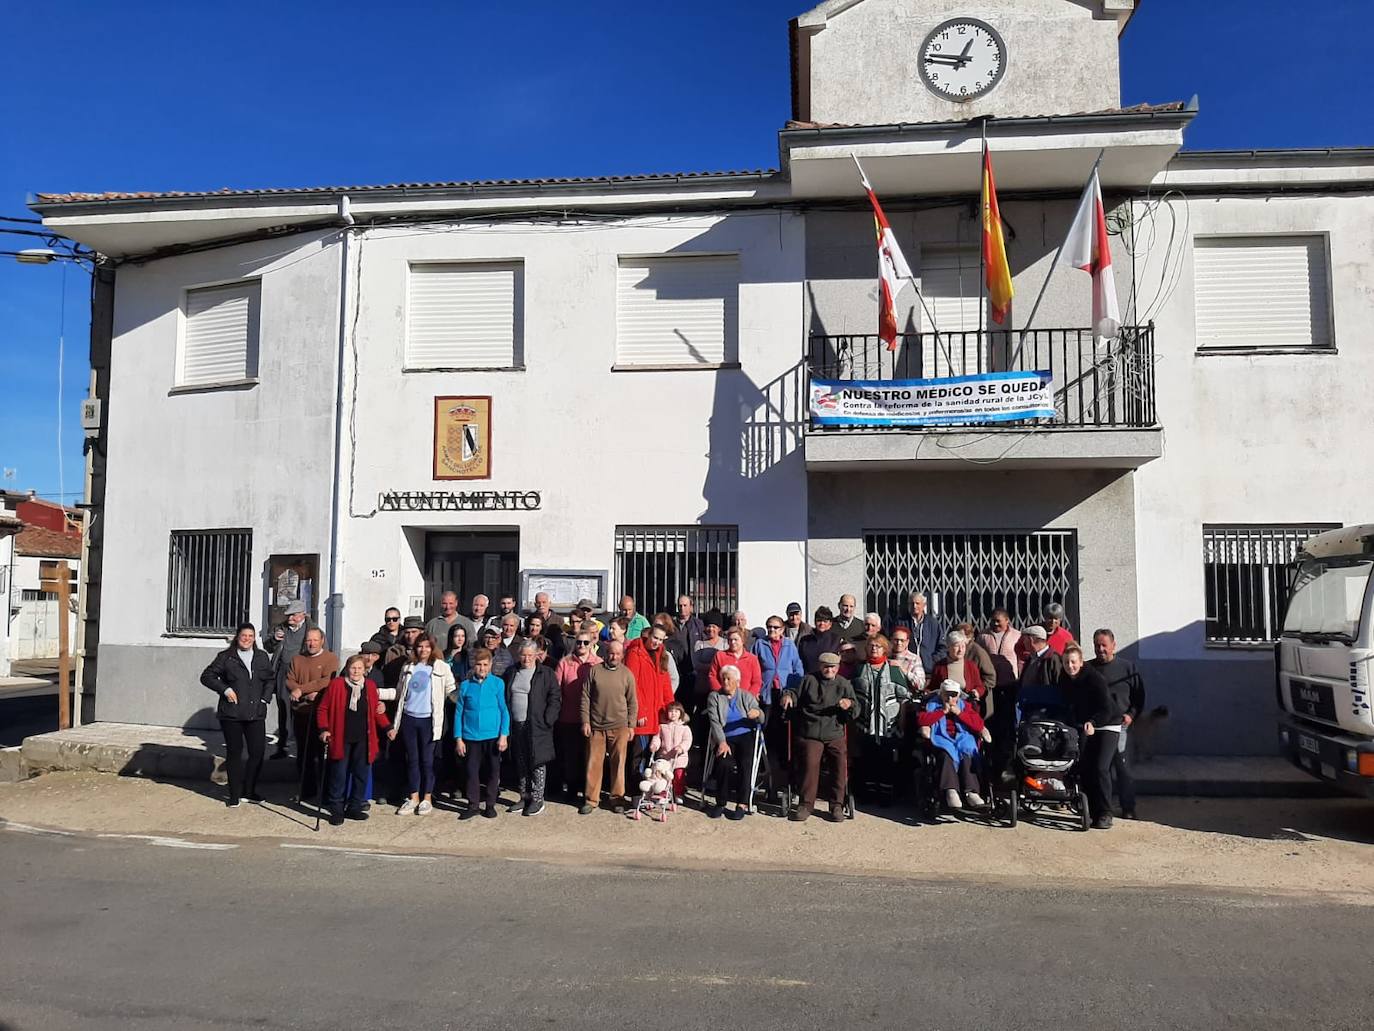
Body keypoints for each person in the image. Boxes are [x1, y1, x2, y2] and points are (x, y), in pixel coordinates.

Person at [201, 623, 276, 807]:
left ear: (254, 638)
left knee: (257, 752)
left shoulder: (261, 657)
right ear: (237, 637)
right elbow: (207, 676)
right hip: (232, 714)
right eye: (244, 635)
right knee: (234, 753)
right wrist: (225, 689)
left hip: (255, 713)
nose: (247, 639)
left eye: (250, 636)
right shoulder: (226, 657)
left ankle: (249, 791)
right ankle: (234, 794)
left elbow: (270, 680)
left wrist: (265, 699)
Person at [781, 651, 857, 823]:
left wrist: (849, 704)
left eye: (832, 667)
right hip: (811, 731)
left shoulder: (843, 684)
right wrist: (788, 696)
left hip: (834, 731)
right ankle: (806, 804)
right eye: (825, 666)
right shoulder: (809, 680)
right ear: (820, 666)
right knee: (810, 763)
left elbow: (855, 706)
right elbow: (794, 693)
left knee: (839, 763)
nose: (828, 670)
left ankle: (837, 804)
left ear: (837, 668)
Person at [316, 655, 390, 825]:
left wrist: (388, 727)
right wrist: (323, 729)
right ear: (347, 669)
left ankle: (355, 807)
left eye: (359, 668)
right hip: (341, 737)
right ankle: (336, 809)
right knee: (339, 774)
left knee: (361, 774)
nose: (356, 671)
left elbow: (376, 711)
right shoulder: (336, 685)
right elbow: (323, 708)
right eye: (353, 668)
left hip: (364, 738)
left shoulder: (370, 686)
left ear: (365, 670)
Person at [388, 634, 454, 816]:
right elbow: (399, 693)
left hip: (429, 721)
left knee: (427, 761)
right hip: (409, 719)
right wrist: (374, 693)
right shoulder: (408, 667)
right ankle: (413, 797)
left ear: (432, 648)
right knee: (413, 760)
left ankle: (427, 798)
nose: (423, 650)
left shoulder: (441, 667)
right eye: (420, 646)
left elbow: (451, 690)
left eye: (427, 646)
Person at [1060, 644, 1123, 830]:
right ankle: (1089, 810)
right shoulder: (1064, 678)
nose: (1070, 666)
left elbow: (1107, 707)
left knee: (1101, 767)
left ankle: (1105, 813)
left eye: (1073, 662)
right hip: (1086, 725)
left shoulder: (1094, 678)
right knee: (1084, 766)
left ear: (1080, 662)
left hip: (1108, 722)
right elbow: (1069, 703)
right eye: (1066, 662)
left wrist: (1093, 722)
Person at [1090, 629, 1145, 820]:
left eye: (1104, 645)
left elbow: (1139, 697)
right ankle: (1099, 806)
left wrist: (1131, 715)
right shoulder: (1089, 669)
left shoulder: (1128, 668)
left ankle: (1128, 807)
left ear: (1114, 645)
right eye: (1097, 645)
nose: (1100, 649)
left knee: (1122, 767)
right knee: (1097, 768)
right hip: (1096, 726)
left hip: (1120, 726)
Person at [503, 639, 560, 817]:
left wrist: (548, 719)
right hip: (516, 724)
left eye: (530, 655)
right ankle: (524, 796)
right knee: (521, 761)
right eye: (523, 655)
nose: (526, 658)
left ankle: (537, 799)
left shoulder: (546, 673)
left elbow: (555, 697)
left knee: (537, 761)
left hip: (537, 725)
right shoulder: (511, 671)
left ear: (536, 655)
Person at [580, 639, 637, 815]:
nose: (614, 656)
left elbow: (632, 702)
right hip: (596, 725)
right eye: (611, 653)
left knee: (618, 763)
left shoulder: (627, 674)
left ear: (622, 655)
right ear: (606, 653)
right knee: (593, 763)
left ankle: (617, 798)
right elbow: (586, 697)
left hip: (620, 726)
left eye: (618, 654)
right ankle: (591, 799)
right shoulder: (594, 671)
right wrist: (585, 721)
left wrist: (631, 725)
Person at [453, 648, 510, 820]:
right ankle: (473, 805)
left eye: (485, 665)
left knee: (493, 771)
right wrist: (458, 738)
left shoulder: (497, 684)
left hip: (492, 736)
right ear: (473, 665)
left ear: (491, 665)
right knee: (471, 772)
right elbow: (458, 713)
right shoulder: (465, 686)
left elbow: (504, 710)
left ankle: (490, 804)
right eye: (479, 664)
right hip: (471, 736)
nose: (482, 668)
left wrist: (504, 735)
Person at [753, 615, 805, 798]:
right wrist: (756, 688)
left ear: (783, 629)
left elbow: (798, 670)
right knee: (766, 734)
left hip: (785, 695)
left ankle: (787, 780)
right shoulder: (760, 644)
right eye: (769, 627)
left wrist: (791, 692)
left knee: (786, 737)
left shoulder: (790, 645)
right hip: (766, 695)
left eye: (775, 627)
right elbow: (754, 667)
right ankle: (766, 774)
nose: (772, 631)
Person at [918, 680, 988, 810]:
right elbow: (922, 720)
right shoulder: (932, 704)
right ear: (941, 694)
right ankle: (951, 791)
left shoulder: (965, 706)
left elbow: (978, 724)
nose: (950, 698)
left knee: (968, 754)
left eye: (954, 695)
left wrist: (959, 713)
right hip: (941, 739)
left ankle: (972, 792)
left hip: (963, 738)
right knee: (946, 755)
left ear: (958, 695)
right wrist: (942, 712)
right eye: (947, 695)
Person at [705, 665, 763, 819]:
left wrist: (757, 713)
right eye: (723, 678)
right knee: (724, 763)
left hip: (745, 735)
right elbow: (715, 722)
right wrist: (722, 742)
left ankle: (742, 803)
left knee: (746, 762)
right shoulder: (714, 697)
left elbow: (760, 716)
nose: (725, 681)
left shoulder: (746, 696)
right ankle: (721, 802)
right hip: (725, 736)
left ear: (737, 681)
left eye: (729, 678)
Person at [286, 628, 338, 799]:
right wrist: (299, 691)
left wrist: (301, 689)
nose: (312, 643)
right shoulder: (297, 659)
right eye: (309, 640)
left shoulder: (330, 658)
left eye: (315, 640)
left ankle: (325, 793)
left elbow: (326, 681)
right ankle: (307, 790)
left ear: (322, 640)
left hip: (321, 714)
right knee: (303, 754)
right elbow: (289, 680)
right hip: (301, 712)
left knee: (322, 754)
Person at [553, 628, 601, 800]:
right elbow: (556, 690)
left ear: (591, 644)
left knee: (589, 756)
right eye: (579, 642)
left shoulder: (598, 663)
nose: (581, 645)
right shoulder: (564, 663)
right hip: (568, 716)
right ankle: (572, 790)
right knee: (571, 756)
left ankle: (588, 790)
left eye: (585, 642)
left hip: (591, 718)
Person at [625, 626, 676, 779]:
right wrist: (638, 712)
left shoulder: (661, 655)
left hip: (657, 713)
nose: (657, 642)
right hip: (643, 715)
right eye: (655, 638)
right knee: (638, 755)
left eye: (660, 640)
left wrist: (671, 709)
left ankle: (649, 794)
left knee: (653, 756)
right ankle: (635, 792)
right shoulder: (635, 653)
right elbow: (632, 684)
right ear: (649, 635)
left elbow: (665, 685)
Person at [264, 600, 313, 759]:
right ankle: (282, 747)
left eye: (292, 615)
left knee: (301, 711)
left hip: (303, 675)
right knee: (284, 710)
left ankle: (302, 749)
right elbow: (268, 646)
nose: (289, 617)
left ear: (302, 615)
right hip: (283, 673)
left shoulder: (313, 630)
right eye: (288, 614)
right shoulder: (282, 628)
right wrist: (274, 639)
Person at [1018, 625, 1066, 719]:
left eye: (1025, 639)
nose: (1023, 643)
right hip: (1029, 708)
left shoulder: (1053, 658)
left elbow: (1059, 685)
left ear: (1031, 640)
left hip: (1046, 711)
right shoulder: (1031, 658)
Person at [892, 591, 942, 675]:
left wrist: (932, 661)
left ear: (924, 605)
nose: (914, 606)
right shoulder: (900, 622)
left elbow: (942, 646)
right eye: (911, 604)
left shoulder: (933, 623)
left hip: (929, 670)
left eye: (917, 603)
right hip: (906, 669)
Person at [931, 631, 987, 701]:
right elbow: (932, 688)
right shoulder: (939, 666)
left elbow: (980, 686)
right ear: (948, 647)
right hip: (945, 706)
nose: (960, 650)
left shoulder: (971, 666)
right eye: (957, 646)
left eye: (963, 646)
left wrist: (976, 692)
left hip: (966, 706)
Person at [656, 700, 693, 804]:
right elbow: (657, 738)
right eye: (671, 711)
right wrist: (655, 745)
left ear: (681, 713)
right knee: (664, 777)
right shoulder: (662, 727)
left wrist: (681, 748)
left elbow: (687, 740)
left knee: (678, 777)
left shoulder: (685, 728)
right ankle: (664, 794)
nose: (673, 714)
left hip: (679, 758)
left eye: (676, 711)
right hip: (665, 757)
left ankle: (678, 793)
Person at [709, 626, 763, 697]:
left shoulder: (752, 659)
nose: (732, 642)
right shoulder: (720, 656)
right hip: (723, 697)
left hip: (745, 699)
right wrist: (720, 693)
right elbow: (712, 676)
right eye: (730, 640)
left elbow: (757, 681)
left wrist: (749, 697)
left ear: (742, 640)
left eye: (735, 639)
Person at [690, 611, 728, 705]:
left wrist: (708, 667)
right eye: (708, 626)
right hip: (702, 687)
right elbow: (696, 665)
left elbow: (727, 665)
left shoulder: (725, 644)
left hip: (720, 687)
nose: (711, 629)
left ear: (719, 629)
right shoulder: (699, 644)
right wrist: (715, 667)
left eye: (714, 626)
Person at [954, 622, 997, 703]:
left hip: (972, 699)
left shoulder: (978, 653)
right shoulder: (952, 650)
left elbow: (990, 678)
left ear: (969, 637)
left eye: (959, 636)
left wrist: (978, 690)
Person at [978, 609, 1022, 684]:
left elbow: (1021, 658)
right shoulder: (983, 635)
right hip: (990, 678)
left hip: (1010, 678)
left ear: (1007, 620)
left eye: (998, 621)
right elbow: (978, 656)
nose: (995, 623)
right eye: (993, 621)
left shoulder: (1017, 635)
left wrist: (1021, 676)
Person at [427, 591, 477, 655]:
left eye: (451, 603)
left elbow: (473, 646)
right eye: (444, 603)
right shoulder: (432, 625)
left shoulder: (467, 623)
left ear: (456, 603)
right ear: (441, 604)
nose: (448, 607)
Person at [798, 607, 842, 674]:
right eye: (819, 620)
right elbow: (800, 662)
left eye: (825, 621)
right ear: (815, 622)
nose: (822, 624)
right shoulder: (805, 640)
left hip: (829, 680)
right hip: (809, 679)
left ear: (830, 624)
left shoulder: (836, 640)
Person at [887, 627, 927, 693]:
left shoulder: (914, 659)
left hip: (907, 696)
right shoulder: (884, 656)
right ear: (891, 640)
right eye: (896, 640)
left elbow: (921, 685)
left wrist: (904, 670)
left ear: (907, 642)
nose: (899, 643)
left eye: (902, 640)